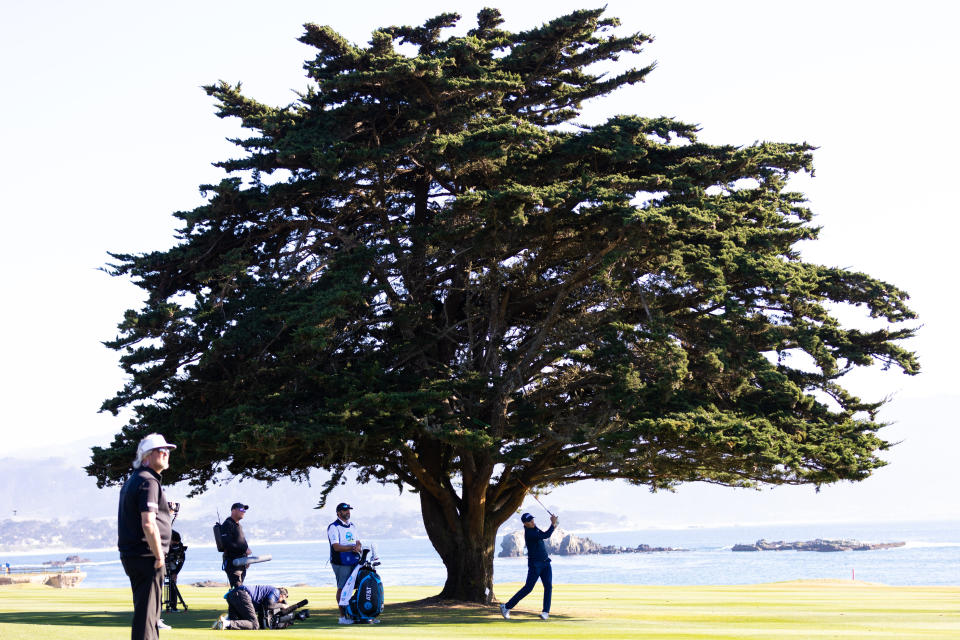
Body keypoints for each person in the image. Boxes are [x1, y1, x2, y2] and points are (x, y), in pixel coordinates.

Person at [117, 433, 177, 640]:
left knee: (149, 613)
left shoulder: (134, 480)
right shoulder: (148, 481)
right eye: (160, 451)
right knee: (148, 614)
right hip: (147, 556)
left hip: (135, 554)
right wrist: (160, 556)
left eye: (167, 451)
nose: (165, 454)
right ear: (146, 457)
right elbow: (148, 523)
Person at [500, 511, 558, 621]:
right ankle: (506, 606)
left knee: (548, 586)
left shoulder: (534, 528)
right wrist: (553, 524)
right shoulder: (530, 533)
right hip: (535, 565)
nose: (532, 521)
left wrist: (554, 524)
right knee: (528, 588)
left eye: (532, 519)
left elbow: (544, 534)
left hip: (545, 562)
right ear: (525, 523)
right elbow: (546, 535)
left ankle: (545, 612)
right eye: (529, 521)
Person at [327, 502, 362, 625]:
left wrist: (358, 546)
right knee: (342, 588)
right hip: (340, 562)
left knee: (355, 587)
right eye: (345, 510)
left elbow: (358, 542)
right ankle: (342, 617)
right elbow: (336, 547)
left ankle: (353, 613)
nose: (348, 512)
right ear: (338, 512)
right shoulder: (334, 527)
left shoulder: (352, 526)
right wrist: (352, 548)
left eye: (348, 510)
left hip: (354, 560)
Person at [212, 584, 289, 630]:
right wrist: (283, 605)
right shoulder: (276, 592)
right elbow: (269, 605)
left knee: (237, 621)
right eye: (282, 599)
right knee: (255, 624)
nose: (279, 602)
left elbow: (264, 608)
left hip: (232, 595)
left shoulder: (269, 591)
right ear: (282, 595)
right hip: (242, 595)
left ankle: (225, 619)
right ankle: (226, 622)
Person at [220, 502, 252, 587]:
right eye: (241, 509)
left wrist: (246, 559)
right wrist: (244, 550)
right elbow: (227, 544)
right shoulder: (228, 524)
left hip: (241, 563)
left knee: (239, 589)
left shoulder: (238, 526)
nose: (243, 512)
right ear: (233, 511)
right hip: (233, 564)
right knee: (237, 590)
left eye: (244, 510)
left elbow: (242, 543)